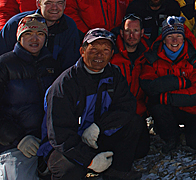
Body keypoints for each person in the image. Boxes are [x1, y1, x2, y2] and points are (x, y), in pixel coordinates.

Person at [43, 28, 144, 180]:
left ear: (111, 54)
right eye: (93, 49)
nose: (99, 55)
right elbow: (59, 134)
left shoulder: (114, 74)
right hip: (67, 144)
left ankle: (117, 171)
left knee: (135, 125)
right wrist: (89, 159)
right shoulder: (65, 84)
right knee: (69, 171)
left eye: (105, 50)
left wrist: (99, 126)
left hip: (96, 135)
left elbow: (127, 106)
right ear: (82, 51)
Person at [140, 17, 196, 152]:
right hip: (170, 109)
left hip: (195, 109)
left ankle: (189, 132)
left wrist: (165, 96)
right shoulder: (153, 57)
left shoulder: (195, 58)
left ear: (184, 39)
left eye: (179, 36)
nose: (174, 41)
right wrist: (181, 82)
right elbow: (149, 85)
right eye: (170, 36)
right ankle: (171, 136)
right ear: (163, 39)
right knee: (157, 106)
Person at [0, 14, 58, 179]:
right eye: (28, 34)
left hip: (48, 142)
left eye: (40, 34)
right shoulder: (4, 64)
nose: (34, 39)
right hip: (15, 145)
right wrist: (18, 138)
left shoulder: (52, 66)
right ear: (19, 36)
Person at [0, 0, 80, 70]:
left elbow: (70, 62)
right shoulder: (17, 23)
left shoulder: (69, 25)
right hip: (16, 76)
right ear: (38, 4)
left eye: (59, 3)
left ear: (64, 4)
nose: (54, 8)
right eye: (48, 3)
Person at [111, 14, 149, 118]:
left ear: (142, 33)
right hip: (115, 112)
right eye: (128, 31)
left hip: (140, 112)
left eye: (136, 31)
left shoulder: (148, 56)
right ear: (122, 33)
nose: (131, 35)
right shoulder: (111, 56)